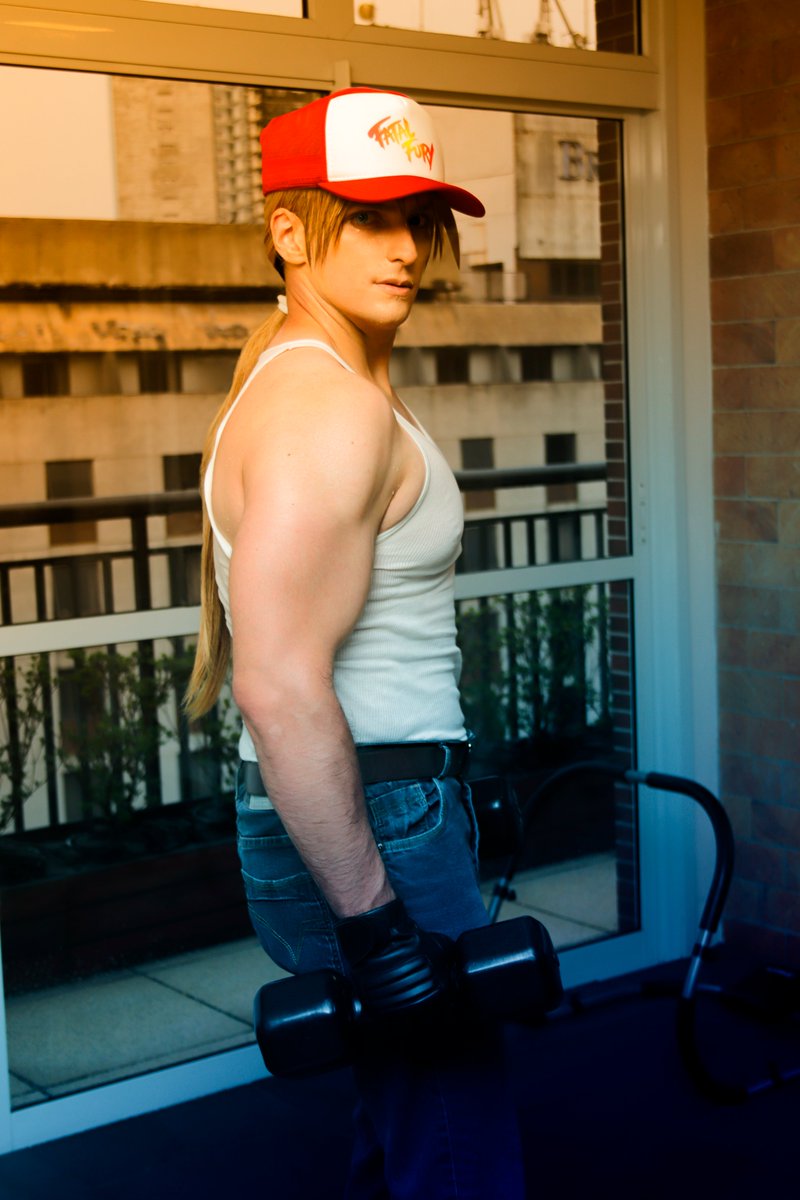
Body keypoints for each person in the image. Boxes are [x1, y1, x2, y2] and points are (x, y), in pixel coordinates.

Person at [185, 87, 525, 1199]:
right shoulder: (326, 406)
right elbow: (280, 684)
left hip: (372, 803)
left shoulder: (316, 381)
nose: (405, 249)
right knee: (460, 1141)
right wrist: (378, 924)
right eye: (368, 218)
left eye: (416, 220)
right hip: (374, 822)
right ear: (289, 232)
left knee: (405, 1116)